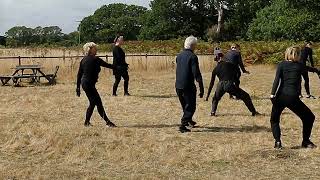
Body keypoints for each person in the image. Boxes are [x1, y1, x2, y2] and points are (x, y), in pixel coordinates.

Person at [270, 46, 319, 150]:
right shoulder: (299, 65)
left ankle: (277, 142)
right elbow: (309, 69)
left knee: (274, 119)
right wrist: (317, 71)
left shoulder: (281, 64)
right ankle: (306, 141)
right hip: (292, 98)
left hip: (280, 97)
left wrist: (272, 94)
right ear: (296, 55)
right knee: (309, 117)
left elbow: (276, 80)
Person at [76, 42, 116, 127]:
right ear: (90, 49)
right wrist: (77, 87)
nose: (96, 49)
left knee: (94, 102)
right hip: (88, 84)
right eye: (95, 48)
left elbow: (79, 74)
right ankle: (107, 122)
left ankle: (87, 122)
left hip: (86, 83)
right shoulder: (94, 59)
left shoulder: (85, 59)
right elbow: (80, 73)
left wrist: (78, 87)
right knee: (96, 102)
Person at [175, 36, 204, 133]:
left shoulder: (179, 56)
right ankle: (183, 125)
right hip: (188, 85)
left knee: (185, 105)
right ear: (193, 45)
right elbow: (196, 73)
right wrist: (201, 88)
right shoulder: (193, 57)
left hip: (178, 85)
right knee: (191, 106)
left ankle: (189, 121)